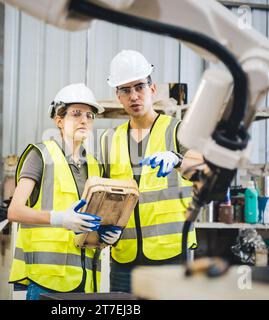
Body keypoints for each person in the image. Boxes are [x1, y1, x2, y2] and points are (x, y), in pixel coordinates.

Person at [100, 50, 204, 293]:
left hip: (170, 254)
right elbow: (103, 193)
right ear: (118, 95)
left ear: (153, 88)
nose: (134, 96)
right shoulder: (108, 139)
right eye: (125, 90)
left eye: (139, 86)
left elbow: (204, 170)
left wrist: (177, 160)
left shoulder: (178, 130)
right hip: (124, 254)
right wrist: (103, 227)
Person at [7, 83, 122, 300]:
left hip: (87, 281)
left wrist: (107, 235)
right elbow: (14, 211)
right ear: (59, 120)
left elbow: (93, 220)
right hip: (46, 282)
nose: (84, 120)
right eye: (76, 113)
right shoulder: (40, 155)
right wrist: (60, 219)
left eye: (89, 115)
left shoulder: (95, 166)